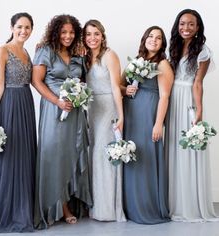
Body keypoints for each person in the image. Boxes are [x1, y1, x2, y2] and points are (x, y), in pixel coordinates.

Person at [32, 14, 92, 228]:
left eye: (72, 32)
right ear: (56, 31)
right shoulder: (45, 50)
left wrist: (78, 95)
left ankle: (70, 203)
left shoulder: (77, 54)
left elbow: (82, 80)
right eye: (64, 32)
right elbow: (36, 81)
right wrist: (57, 101)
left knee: (71, 154)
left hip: (74, 113)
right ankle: (58, 207)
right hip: (53, 110)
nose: (68, 36)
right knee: (54, 156)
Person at [0, 12, 36, 232]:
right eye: (19, 27)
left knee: (24, 156)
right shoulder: (2, 51)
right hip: (10, 105)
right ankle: (5, 211)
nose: (23, 31)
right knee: (9, 156)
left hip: (26, 104)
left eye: (27, 27)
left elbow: (34, 80)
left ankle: (22, 209)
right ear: (12, 27)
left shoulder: (25, 52)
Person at [165, 9, 219, 222]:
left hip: (187, 98)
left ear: (198, 28)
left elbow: (198, 83)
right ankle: (173, 201)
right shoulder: (173, 47)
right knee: (172, 147)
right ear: (177, 26)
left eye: (190, 24)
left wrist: (199, 110)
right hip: (171, 98)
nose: (185, 28)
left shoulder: (203, 51)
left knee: (188, 148)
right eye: (182, 24)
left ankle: (190, 205)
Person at [121, 26, 174, 224]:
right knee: (131, 158)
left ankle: (147, 206)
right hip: (131, 115)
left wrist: (158, 124)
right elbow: (118, 85)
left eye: (158, 38)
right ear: (144, 39)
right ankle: (130, 206)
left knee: (146, 158)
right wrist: (126, 89)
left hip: (148, 116)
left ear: (162, 44)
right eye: (151, 36)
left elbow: (165, 96)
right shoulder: (135, 61)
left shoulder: (163, 64)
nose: (154, 40)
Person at [83, 19, 126, 222]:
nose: (92, 38)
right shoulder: (84, 57)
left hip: (108, 107)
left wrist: (121, 115)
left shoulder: (110, 55)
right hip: (92, 109)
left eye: (96, 33)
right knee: (94, 154)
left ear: (102, 35)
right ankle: (95, 205)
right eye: (89, 34)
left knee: (104, 154)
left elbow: (117, 87)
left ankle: (107, 208)